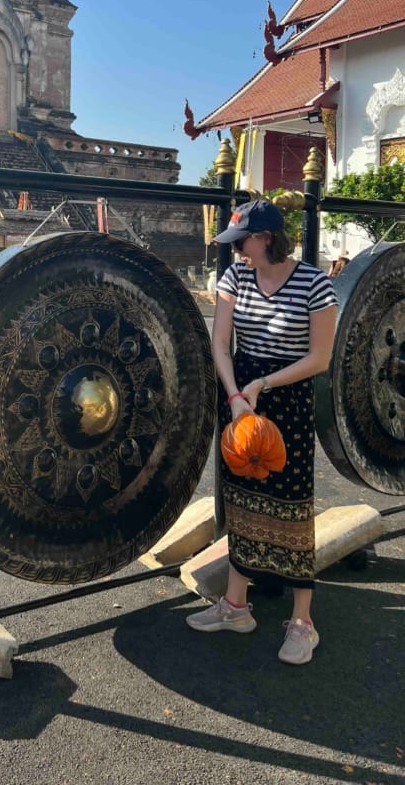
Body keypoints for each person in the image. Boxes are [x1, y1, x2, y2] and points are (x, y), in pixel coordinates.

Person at [186, 199, 338, 665]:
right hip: (240, 397)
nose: (236, 252)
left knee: (292, 508)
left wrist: (262, 385)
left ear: (266, 238)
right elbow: (221, 343)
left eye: (242, 242)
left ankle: (302, 622)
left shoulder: (314, 284)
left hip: (286, 394)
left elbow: (320, 358)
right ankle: (235, 606)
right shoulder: (236, 278)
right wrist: (233, 394)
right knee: (243, 502)